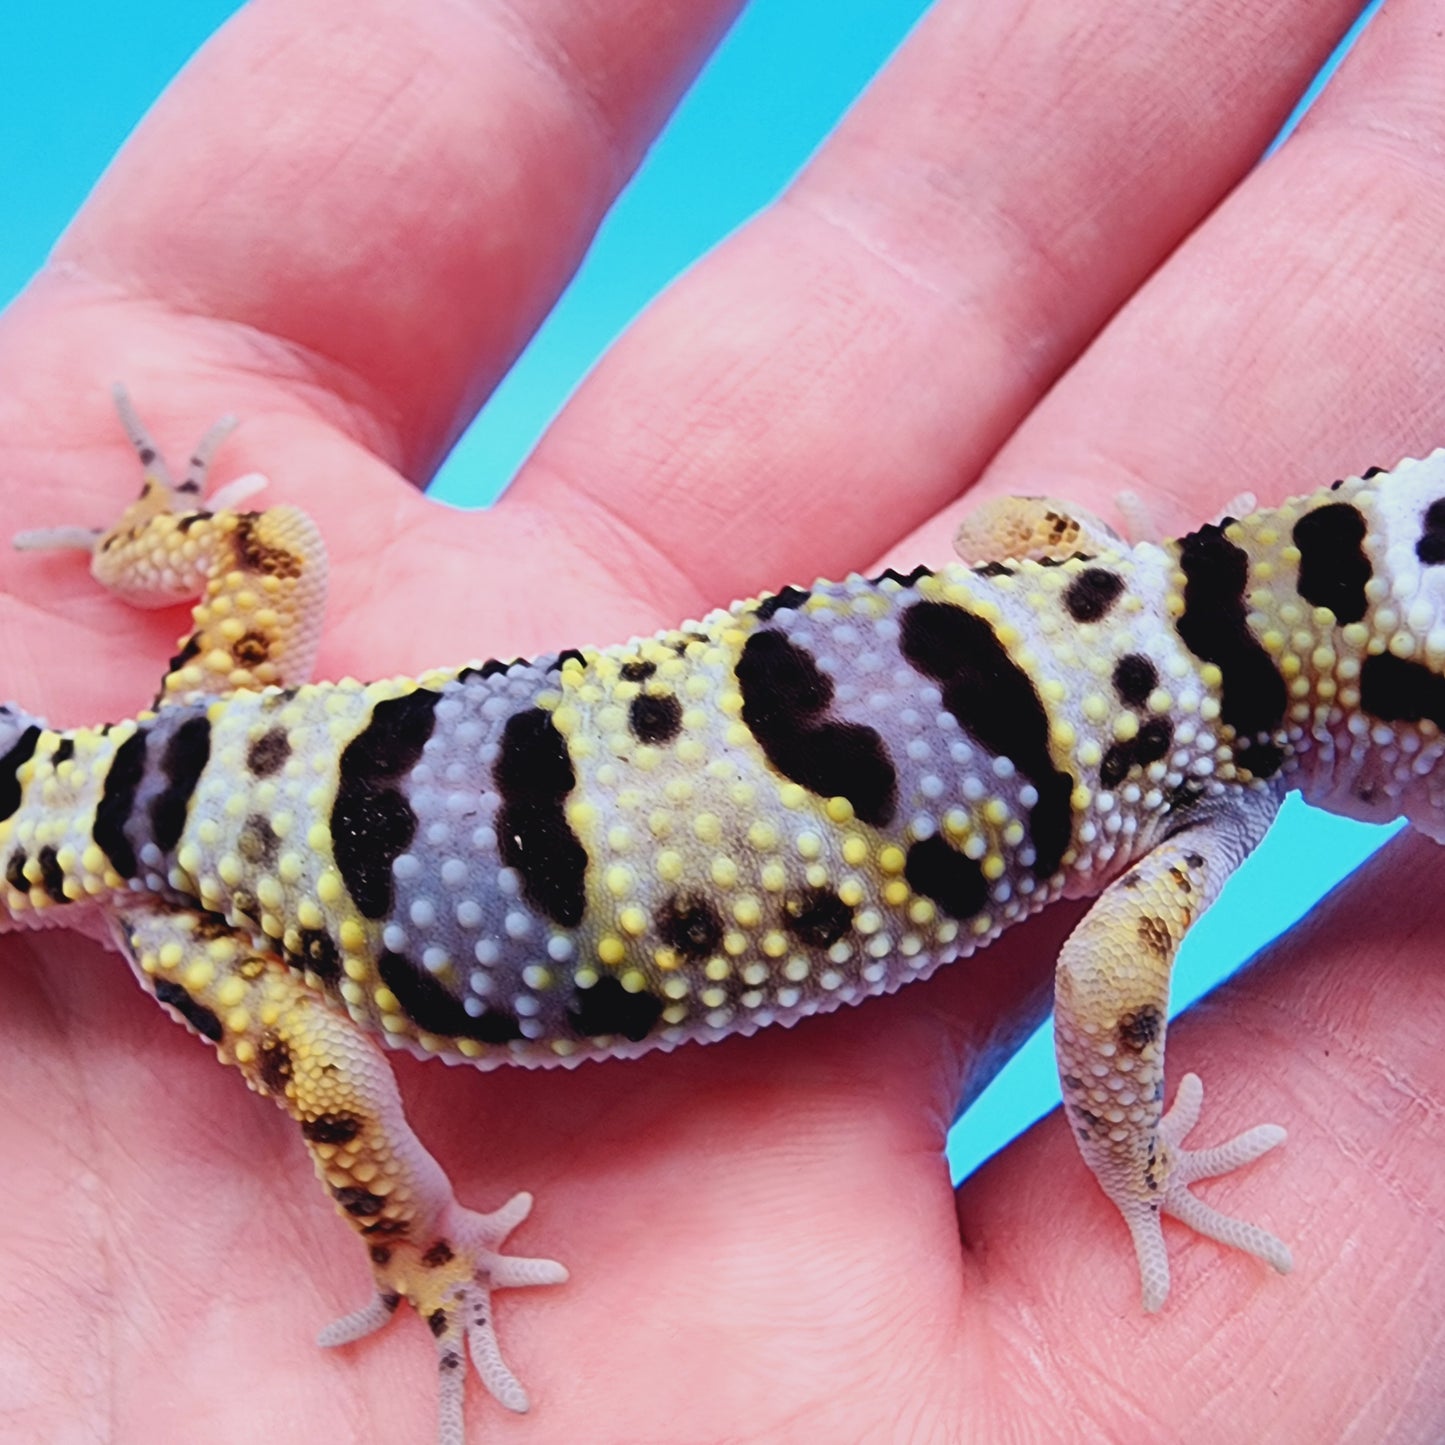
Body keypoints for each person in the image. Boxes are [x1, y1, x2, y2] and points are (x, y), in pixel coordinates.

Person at [2, 1, 1440, 1439]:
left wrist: (1075, 576)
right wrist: (1131, 1162)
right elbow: (1099, 993)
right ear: (1387, 711)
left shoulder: (1099, 571)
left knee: (272, 552)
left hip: (199, 744)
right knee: (328, 1063)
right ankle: (415, 1251)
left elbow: (1017, 526)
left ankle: (153, 537)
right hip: (190, 880)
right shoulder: (1199, 795)